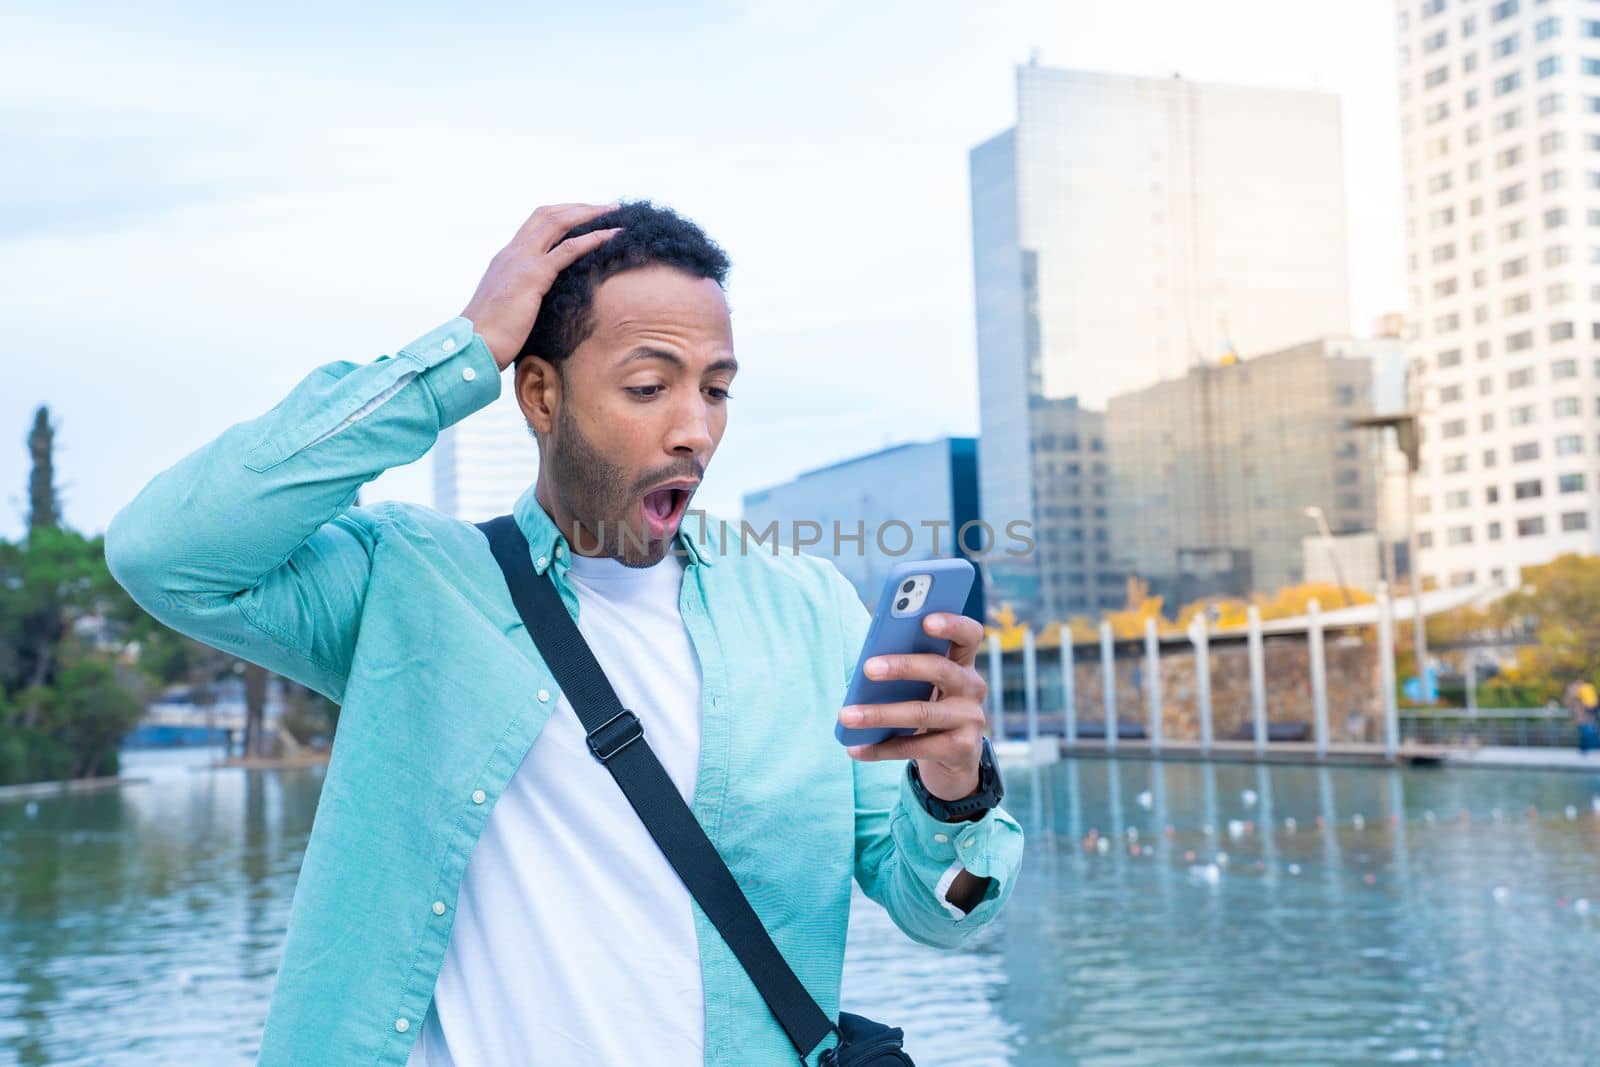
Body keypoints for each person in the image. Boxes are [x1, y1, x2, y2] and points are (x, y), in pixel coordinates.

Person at [106, 201, 1025, 1066]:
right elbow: (166, 552)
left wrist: (953, 793)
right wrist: (461, 354)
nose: (694, 429)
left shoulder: (807, 610)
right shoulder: (407, 583)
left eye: (716, 390)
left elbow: (941, 910)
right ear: (540, 396)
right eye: (648, 386)